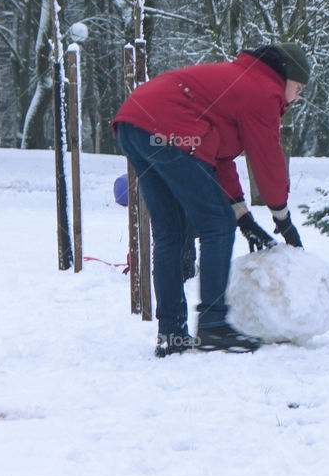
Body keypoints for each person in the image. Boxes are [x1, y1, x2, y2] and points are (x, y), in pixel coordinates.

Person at [113, 43, 308, 357]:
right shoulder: (263, 91)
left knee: (171, 233)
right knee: (216, 224)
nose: (297, 98)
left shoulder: (238, 81)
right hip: (166, 125)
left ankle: (171, 333)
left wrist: (244, 217)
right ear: (284, 77)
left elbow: (218, 159)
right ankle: (214, 324)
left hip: (134, 123)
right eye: (298, 88)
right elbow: (268, 159)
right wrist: (282, 220)